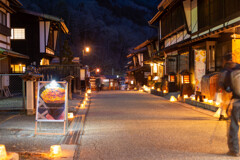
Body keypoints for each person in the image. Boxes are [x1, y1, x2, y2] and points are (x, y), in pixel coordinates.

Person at [221, 52, 240, 157]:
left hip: (236, 101)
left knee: (233, 125)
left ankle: (234, 150)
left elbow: (225, 88)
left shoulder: (226, 71)